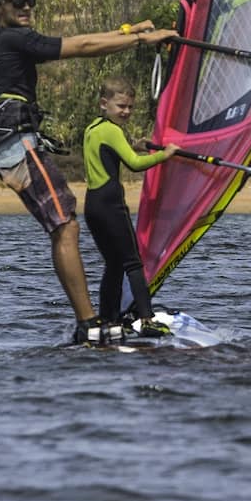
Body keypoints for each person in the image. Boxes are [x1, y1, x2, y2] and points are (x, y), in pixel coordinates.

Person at [0, 0, 177, 344]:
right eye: (19, 2)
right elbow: (80, 47)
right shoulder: (12, 38)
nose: (27, 8)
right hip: (17, 144)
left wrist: (130, 32)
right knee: (65, 225)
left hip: (10, 144)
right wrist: (142, 40)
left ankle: (92, 320)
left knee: (64, 223)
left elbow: (82, 41)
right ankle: (90, 323)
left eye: (31, 2)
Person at [82, 75, 177, 334]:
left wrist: (135, 145)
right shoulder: (112, 131)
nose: (126, 111)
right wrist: (164, 155)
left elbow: (112, 151)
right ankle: (147, 320)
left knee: (113, 264)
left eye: (130, 107)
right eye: (121, 106)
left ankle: (107, 320)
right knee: (133, 263)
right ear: (104, 103)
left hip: (92, 206)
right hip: (111, 205)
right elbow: (134, 164)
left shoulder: (93, 128)